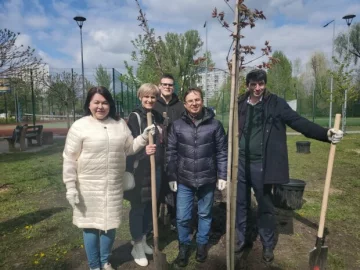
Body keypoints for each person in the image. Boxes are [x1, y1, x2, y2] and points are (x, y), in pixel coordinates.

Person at [235, 69, 344, 263]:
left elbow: (298, 122)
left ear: (265, 84)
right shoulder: (241, 103)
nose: (257, 88)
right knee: (241, 204)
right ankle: (240, 239)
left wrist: (325, 133)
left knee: (265, 206)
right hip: (241, 164)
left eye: (261, 84)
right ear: (248, 85)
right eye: (253, 84)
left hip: (262, 165)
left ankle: (267, 245)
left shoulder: (275, 104)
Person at [63, 86, 155, 270]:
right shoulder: (80, 126)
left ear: (110, 104)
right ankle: (94, 265)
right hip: (87, 188)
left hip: (113, 186)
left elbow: (129, 148)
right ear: (89, 104)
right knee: (90, 227)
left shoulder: (119, 124)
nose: (100, 106)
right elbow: (69, 159)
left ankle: (105, 261)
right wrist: (71, 187)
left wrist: (143, 137)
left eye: (104, 102)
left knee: (110, 226)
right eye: (96, 102)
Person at [166, 87, 228, 267]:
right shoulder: (177, 126)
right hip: (184, 180)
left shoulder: (215, 125)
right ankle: (184, 246)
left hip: (207, 179)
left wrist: (222, 175)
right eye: (190, 101)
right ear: (185, 104)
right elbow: (170, 153)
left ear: (202, 100)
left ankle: (201, 244)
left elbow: (222, 151)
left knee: (204, 213)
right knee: (182, 217)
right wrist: (171, 175)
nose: (194, 103)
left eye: (197, 99)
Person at [124, 83, 164, 267]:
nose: (149, 100)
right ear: (140, 97)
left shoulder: (156, 116)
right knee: (138, 208)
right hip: (140, 170)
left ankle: (144, 239)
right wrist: (144, 151)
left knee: (150, 207)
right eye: (146, 97)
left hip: (154, 169)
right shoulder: (134, 117)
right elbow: (128, 147)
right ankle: (136, 245)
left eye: (153, 97)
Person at [153, 73, 185, 230]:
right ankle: (154, 221)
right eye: (164, 84)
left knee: (175, 186)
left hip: (175, 153)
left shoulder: (179, 106)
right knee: (157, 186)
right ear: (159, 86)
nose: (167, 87)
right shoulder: (153, 104)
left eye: (170, 85)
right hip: (157, 153)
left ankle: (174, 220)